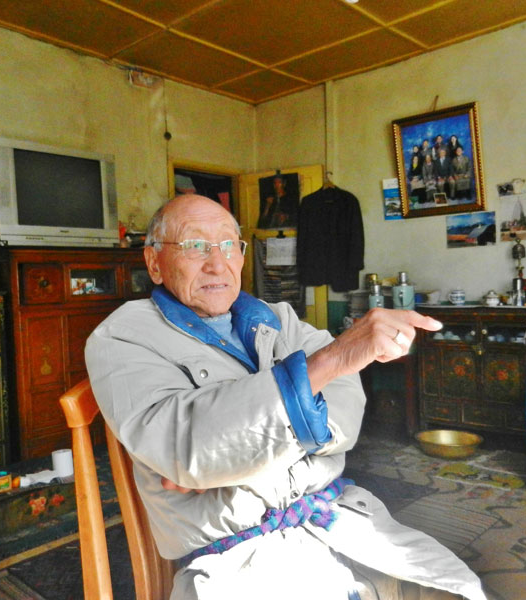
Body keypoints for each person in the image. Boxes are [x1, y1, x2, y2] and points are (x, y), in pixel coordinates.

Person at [85, 195, 486, 600]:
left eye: (228, 244)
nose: (216, 262)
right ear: (154, 262)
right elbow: (188, 450)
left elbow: (347, 408)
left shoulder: (278, 318)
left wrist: (235, 460)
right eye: (194, 246)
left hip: (340, 522)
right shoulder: (122, 337)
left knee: (461, 590)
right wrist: (326, 365)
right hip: (240, 560)